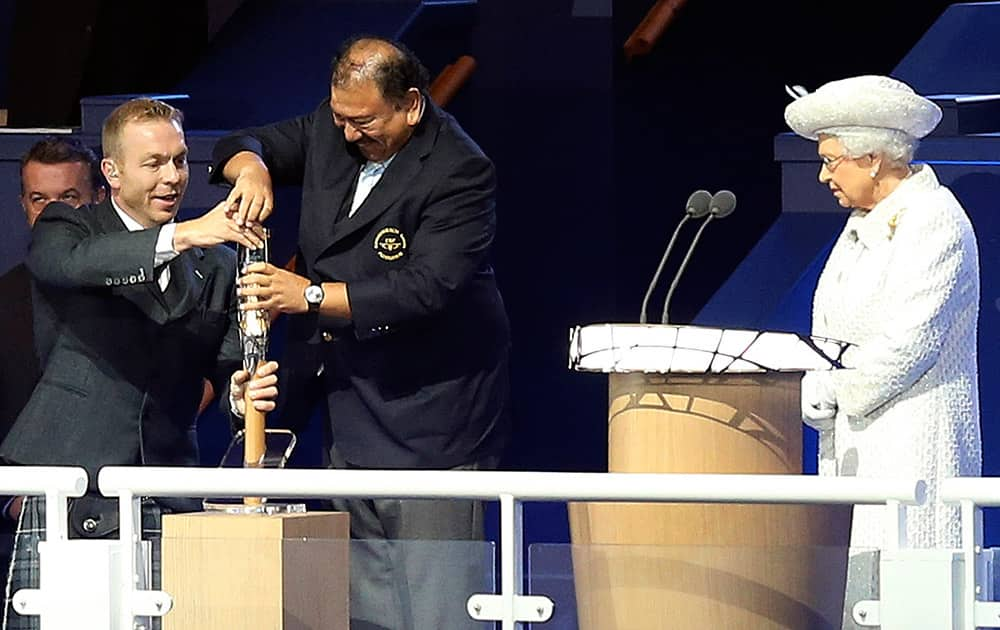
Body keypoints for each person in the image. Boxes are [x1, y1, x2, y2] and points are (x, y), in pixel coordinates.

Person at [211, 36, 510, 630]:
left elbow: (426, 288)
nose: (348, 134)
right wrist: (251, 170)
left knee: (436, 609)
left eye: (365, 121)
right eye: (340, 117)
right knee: (367, 607)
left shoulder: (460, 170)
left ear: (412, 106)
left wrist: (310, 296)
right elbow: (244, 143)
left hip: (432, 419)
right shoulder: (333, 126)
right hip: (352, 407)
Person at [0, 98, 279, 630]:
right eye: (153, 163)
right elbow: (74, 267)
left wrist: (241, 397)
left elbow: (226, 378)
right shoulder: (70, 226)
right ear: (112, 171)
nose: (172, 177)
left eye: (178, 161)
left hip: (167, 491)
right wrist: (185, 234)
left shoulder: (216, 263)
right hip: (76, 483)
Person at [786, 75, 981, 622]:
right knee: (856, 600)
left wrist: (828, 389)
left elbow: (906, 345)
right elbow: (827, 336)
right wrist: (809, 384)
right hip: (854, 449)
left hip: (914, 445)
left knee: (908, 599)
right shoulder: (859, 227)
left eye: (832, 161)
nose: (824, 175)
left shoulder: (936, 221)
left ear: (872, 159)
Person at [0, 137, 106, 596]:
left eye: (68, 198)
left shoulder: (130, 287)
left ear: (99, 198)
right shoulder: (3, 301)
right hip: (23, 518)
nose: (52, 213)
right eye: (39, 199)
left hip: (121, 503)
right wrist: (10, 500)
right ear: (23, 203)